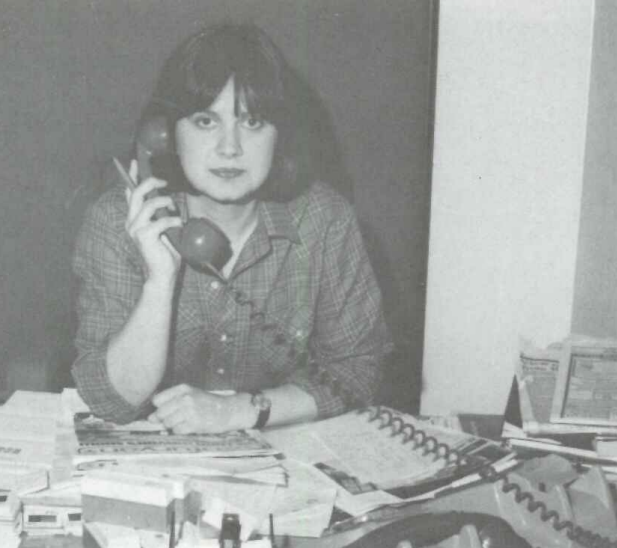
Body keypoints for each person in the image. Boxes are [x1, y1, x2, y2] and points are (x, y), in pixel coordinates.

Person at [71, 23, 392, 434]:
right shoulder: (119, 221)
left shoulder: (324, 221)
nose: (230, 147)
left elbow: (358, 369)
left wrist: (245, 410)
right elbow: (110, 400)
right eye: (206, 121)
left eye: (253, 122)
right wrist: (159, 280)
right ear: (166, 135)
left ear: (280, 136)